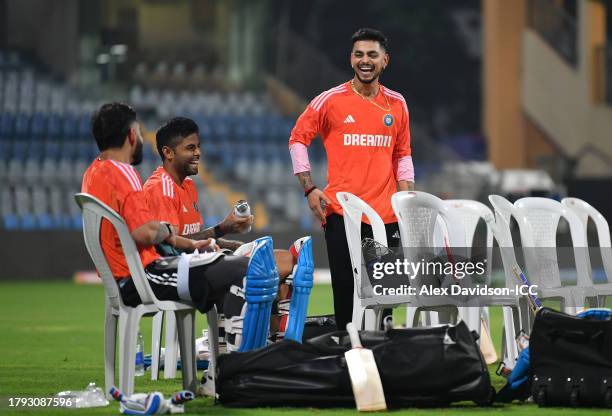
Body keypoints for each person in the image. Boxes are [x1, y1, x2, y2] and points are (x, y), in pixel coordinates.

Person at [81, 102, 280, 351]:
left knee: (235, 266)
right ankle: (237, 361)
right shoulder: (125, 172)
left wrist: (198, 238)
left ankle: (226, 351)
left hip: (129, 276)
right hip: (144, 276)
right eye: (140, 132)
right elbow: (145, 233)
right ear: (132, 135)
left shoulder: (93, 172)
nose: (142, 138)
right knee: (242, 269)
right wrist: (167, 231)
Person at [288, 28, 415, 330]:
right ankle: (348, 357)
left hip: (386, 215)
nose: (365, 60)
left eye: (372, 54)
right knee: (345, 292)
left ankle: (381, 354)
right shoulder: (330, 101)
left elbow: (403, 154)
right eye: (359, 54)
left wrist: (407, 200)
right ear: (351, 60)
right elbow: (297, 139)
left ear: (385, 60)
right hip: (342, 213)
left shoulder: (397, 104)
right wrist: (309, 189)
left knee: (386, 295)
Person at [143, 117, 309, 339]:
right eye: (190, 148)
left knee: (283, 260)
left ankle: (273, 332)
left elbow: (194, 237)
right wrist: (222, 229)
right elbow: (173, 244)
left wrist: (229, 241)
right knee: (267, 265)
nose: (198, 153)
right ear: (168, 153)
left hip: (201, 259)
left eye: (199, 147)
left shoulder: (187, 186)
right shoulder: (162, 187)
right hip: (177, 270)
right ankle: (265, 332)